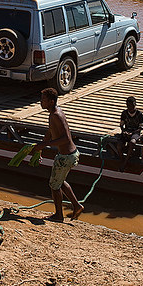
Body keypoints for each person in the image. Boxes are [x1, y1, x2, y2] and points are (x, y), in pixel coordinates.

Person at [36, 88, 84, 221]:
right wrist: (41, 148)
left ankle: (58, 215)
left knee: (54, 185)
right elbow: (50, 132)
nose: (41, 102)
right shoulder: (54, 113)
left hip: (66, 156)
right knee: (60, 181)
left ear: (51, 102)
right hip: (68, 155)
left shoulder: (56, 115)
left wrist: (45, 145)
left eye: (43, 100)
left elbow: (65, 139)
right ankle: (77, 206)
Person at [118, 96, 143, 162]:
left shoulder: (139, 114)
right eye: (128, 106)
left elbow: (140, 127)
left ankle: (126, 161)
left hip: (135, 132)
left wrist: (133, 133)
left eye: (132, 105)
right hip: (127, 130)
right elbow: (121, 125)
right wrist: (124, 131)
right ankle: (121, 159)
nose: (130, 107)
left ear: (135, 105)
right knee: (119, 144)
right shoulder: (124, 113)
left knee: (132, 142)